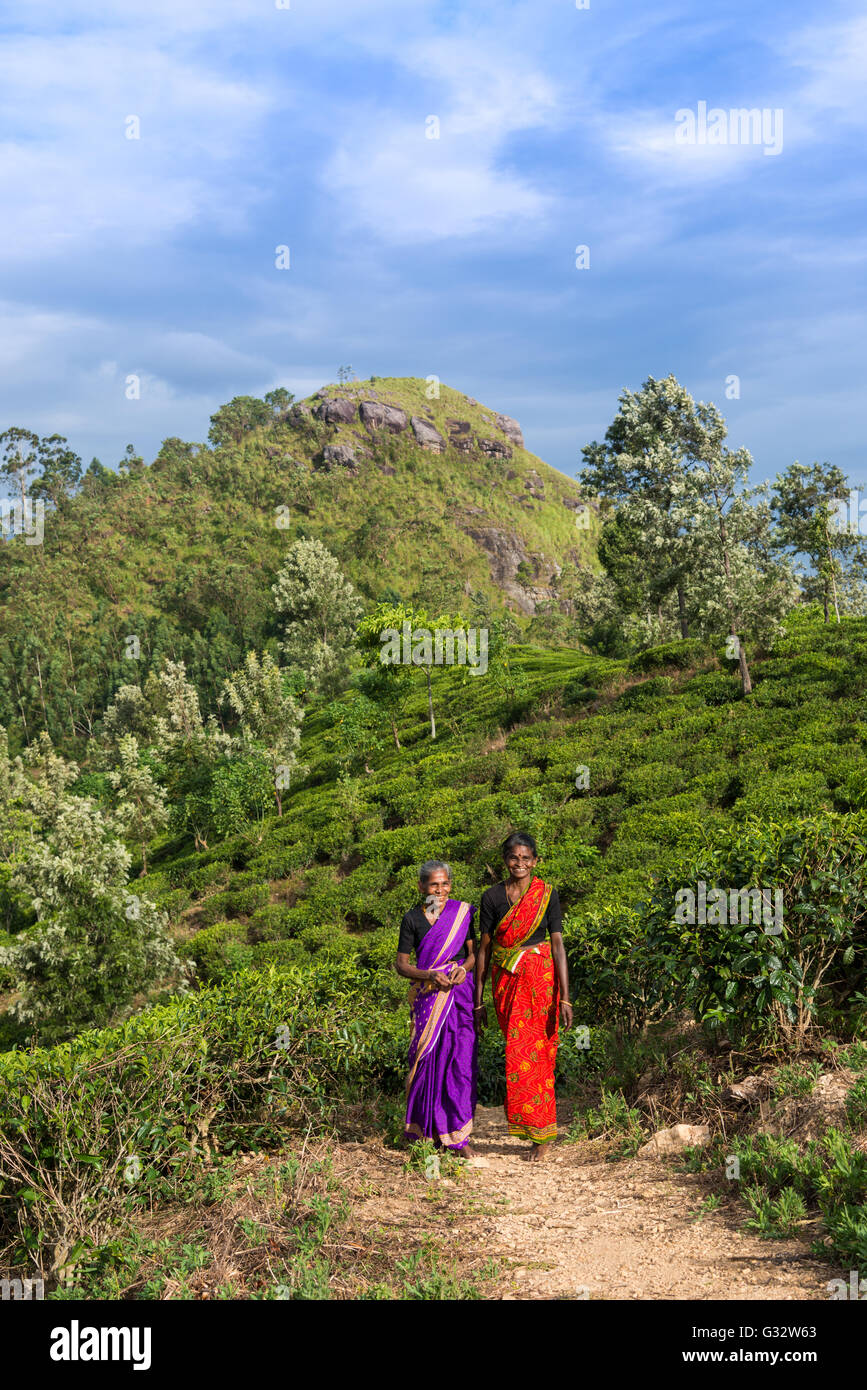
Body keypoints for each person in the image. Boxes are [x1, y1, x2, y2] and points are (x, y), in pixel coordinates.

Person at [474, 831, 572, 1161]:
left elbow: (557, 945)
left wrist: (566, 997)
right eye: (514, 858)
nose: (520, 863)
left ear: (535, 861)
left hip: (541, 983)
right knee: (517, 1056)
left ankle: (543, 1136)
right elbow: (485, 949)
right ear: (505, 861)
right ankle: (532, 1129)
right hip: (506, 984)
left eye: (526, 858)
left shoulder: (547, 894)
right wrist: (478, 999)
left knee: (538, 1056)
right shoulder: (491, 898)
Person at [396, 860, 478, 1156]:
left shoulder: (464, 913)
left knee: (458, 1062)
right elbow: (402, 965)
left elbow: (473, 954)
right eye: (433, 884)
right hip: (428, 997)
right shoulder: (412, 920)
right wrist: (429, 974)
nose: (440, 890)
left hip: (458, 995)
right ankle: (422, 1131)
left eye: (444, 884)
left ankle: (457, 1138)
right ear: (421, 887)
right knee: (426, 1063)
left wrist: (464, 970)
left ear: (451, 885)